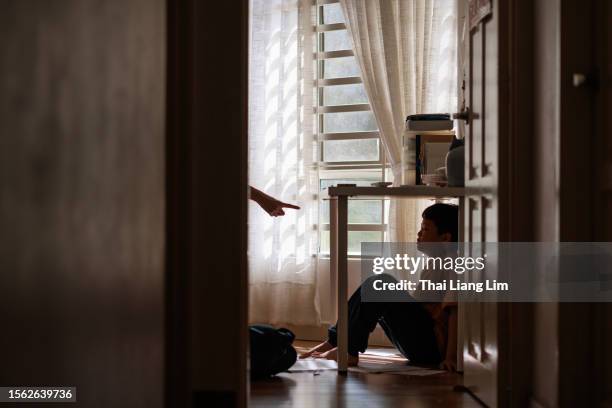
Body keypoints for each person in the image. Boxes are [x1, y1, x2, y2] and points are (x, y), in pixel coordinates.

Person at [300, 203, 459, 372]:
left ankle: (348, 349)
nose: (419, 234)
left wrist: (450, 358)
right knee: (374, 285)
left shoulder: (455, 264)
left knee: (381, 283)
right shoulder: (435, 261)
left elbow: (456, 312)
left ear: (445, 238)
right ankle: (336, 341)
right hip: (422, 341)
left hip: (431, 348)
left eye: (425, 229)